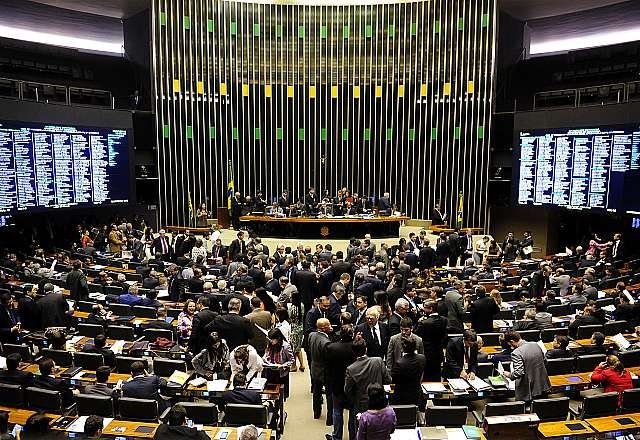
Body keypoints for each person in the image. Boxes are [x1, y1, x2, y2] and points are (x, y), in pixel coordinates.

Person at [326, 325, 357, 440]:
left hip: (337, 384)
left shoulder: (332, 348)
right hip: (353, 385)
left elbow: (328, 368)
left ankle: (337, 436)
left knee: (337, 412)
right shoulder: (356, 348)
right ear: (352, 335)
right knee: (353, 413)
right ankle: (353, 436)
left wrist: (328, 383)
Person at [345, 339, 392, 415]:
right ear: (366, 349)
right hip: (380, 401)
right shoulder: (378, 361)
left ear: (353, 352)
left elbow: (347, 390)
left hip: (362, 404)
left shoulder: (351, 369)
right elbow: (388, 380)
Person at [502, 331, 551, 402]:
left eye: (510, 344)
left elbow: (519, 373)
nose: (511, 346)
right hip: (543, 384)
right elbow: (545, 361)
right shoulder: (536, 344)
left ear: (512, 341)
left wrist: (509, 375)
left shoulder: (516, 353)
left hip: (528, 390)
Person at [415, 300, 448, 382]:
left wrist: (419, 322)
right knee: (437, 375)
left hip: (427, 354)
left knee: (427, 377)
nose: (423, 310)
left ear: (431, 309)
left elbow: (416, 336)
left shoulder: (424, 323)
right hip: (439, 353)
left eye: (425, 308)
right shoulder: (444, 320)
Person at [308, 317, 333, 422]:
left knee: (316, 392)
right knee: (329, 394)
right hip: (325, 371)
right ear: (324, 328)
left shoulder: (311, 335)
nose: (331, 326)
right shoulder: (325, 342)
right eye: (329, 325)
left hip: (315, 368)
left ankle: (316, 413)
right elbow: (328, 359)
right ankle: (330, 417)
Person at [391, 337, 426, 406]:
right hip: (416, 393)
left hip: (401, 396)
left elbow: (394, 380)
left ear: (402, 349)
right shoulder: (422, 358)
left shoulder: (399, 363)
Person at [262, 328, 294, 399]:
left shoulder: (286, 346)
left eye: (272, 339)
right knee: (270, 392)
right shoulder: (270, 344)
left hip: (280, 373)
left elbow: (291, 360)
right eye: (270, 339)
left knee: (280, 394)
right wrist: (264, 358)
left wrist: (282, 365)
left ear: (278, 338)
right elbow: (266, 353)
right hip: (270, 370)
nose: (271, 341)